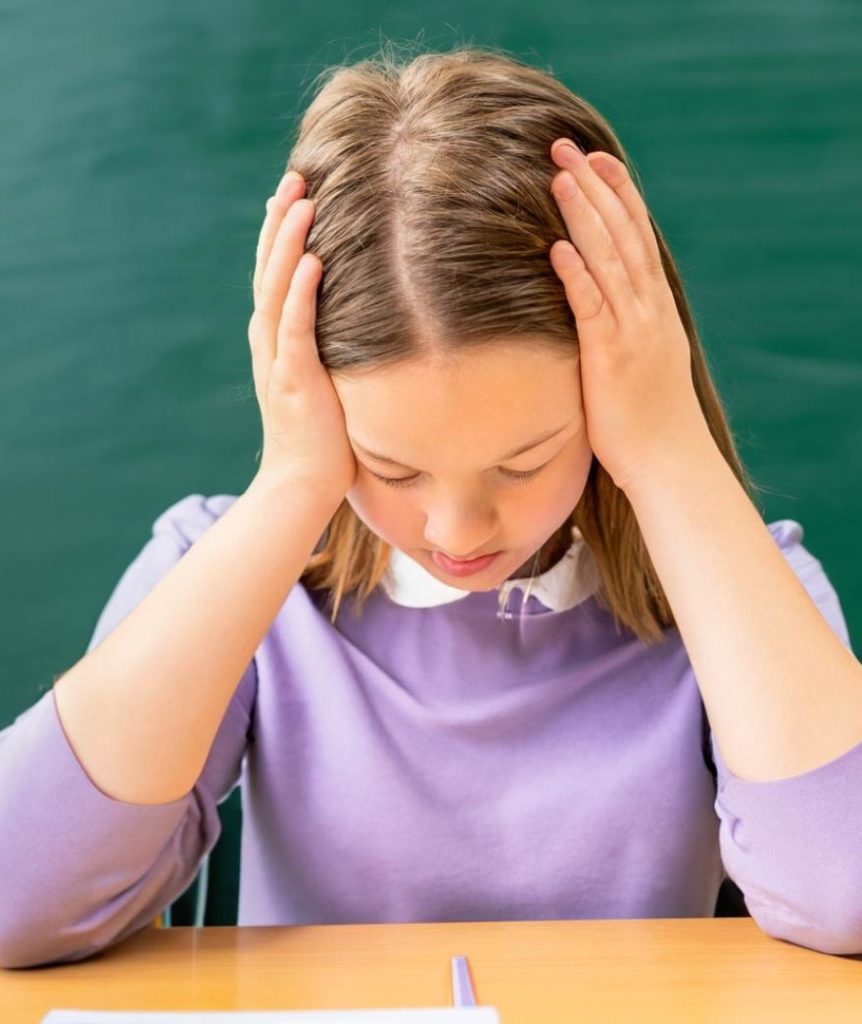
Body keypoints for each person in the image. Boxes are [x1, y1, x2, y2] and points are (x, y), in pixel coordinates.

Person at [1, 44, 859, 970]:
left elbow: (846, 898)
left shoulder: (743, 588)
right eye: (391, 469)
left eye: (525, 461)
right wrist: (293, 484)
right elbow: (15, 904)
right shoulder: (217, 569)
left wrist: (670, 454)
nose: (457, 533)